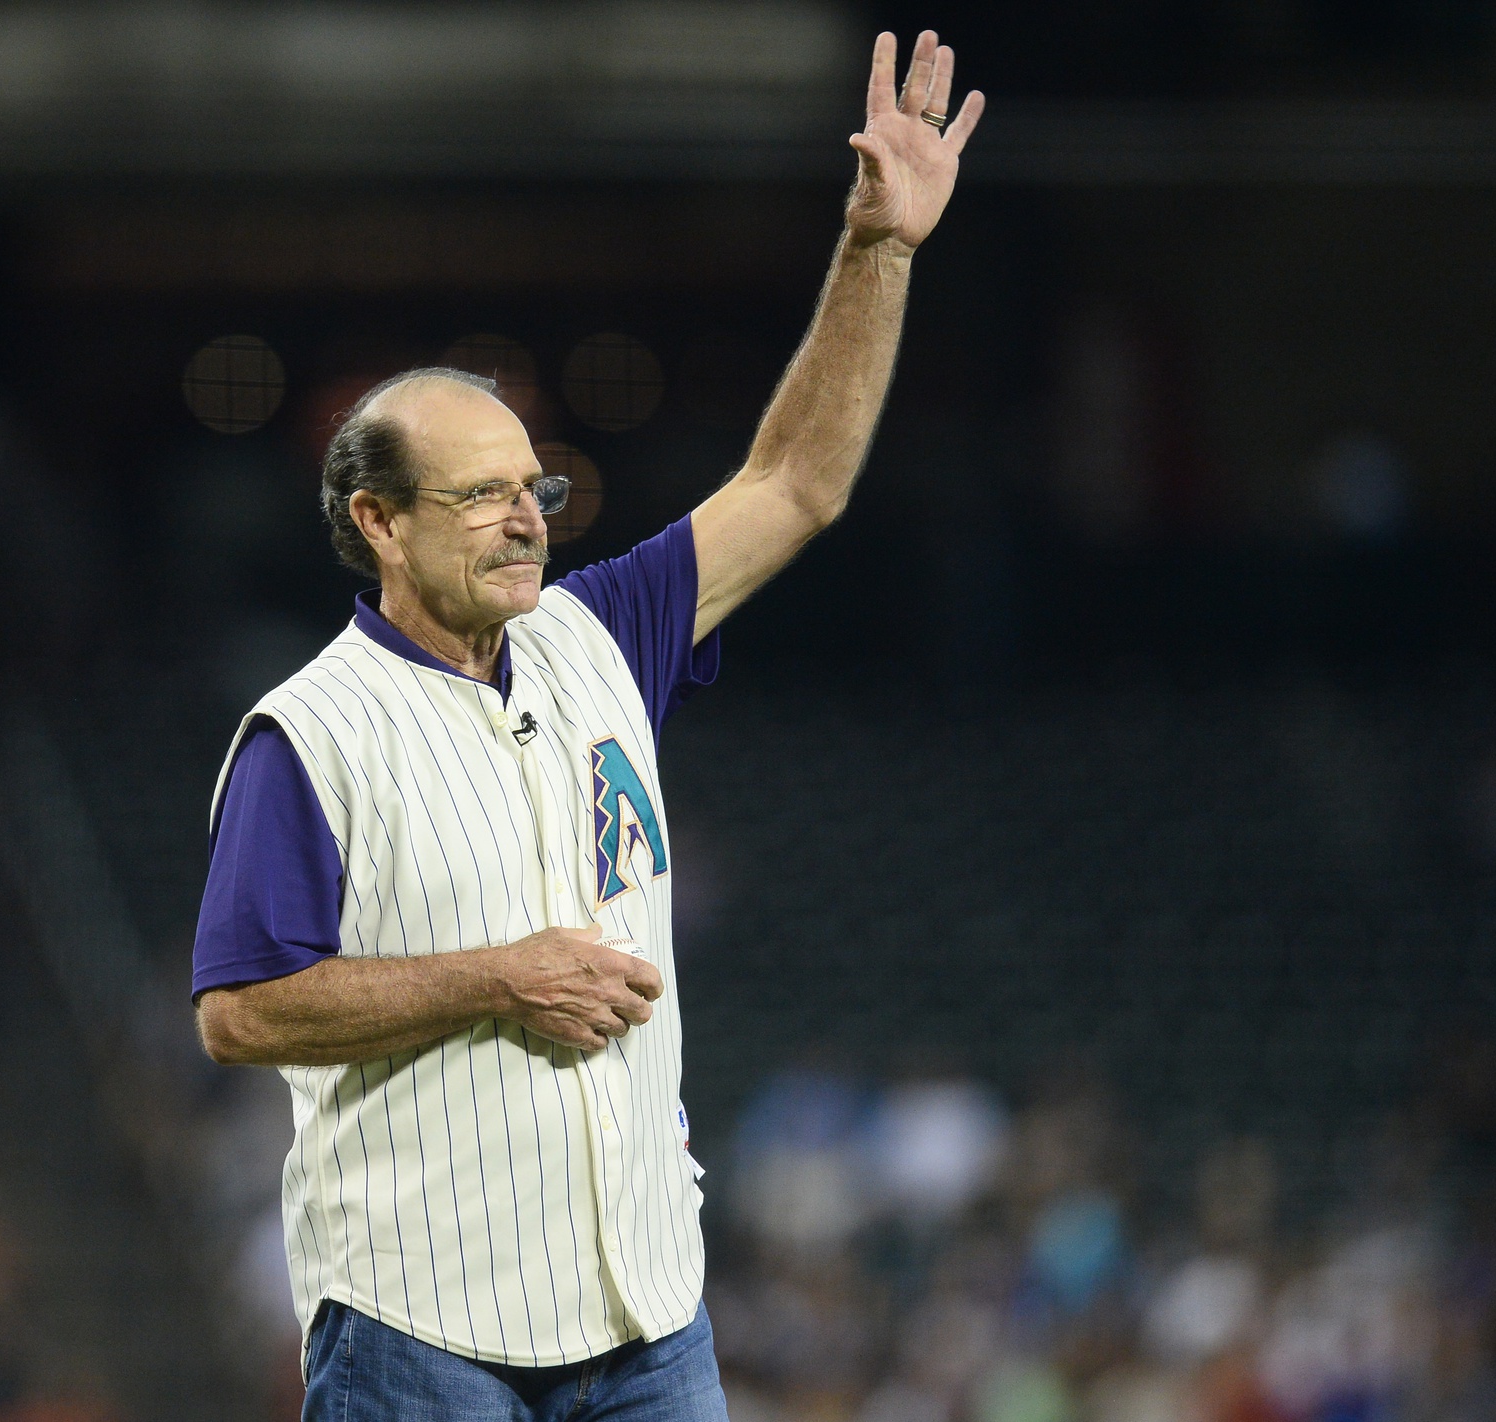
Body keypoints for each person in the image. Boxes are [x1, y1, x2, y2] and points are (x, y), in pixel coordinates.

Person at [191, 29, 984, 1420]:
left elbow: (796, 483)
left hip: (646, 1308)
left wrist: (877, 249)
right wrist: (499, 977)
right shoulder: (309, 734)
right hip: (419, 1325)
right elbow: (240, 1011)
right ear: (377, 520)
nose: (524, 519)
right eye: (479, 496)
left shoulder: (598, 630)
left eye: (534, 489)